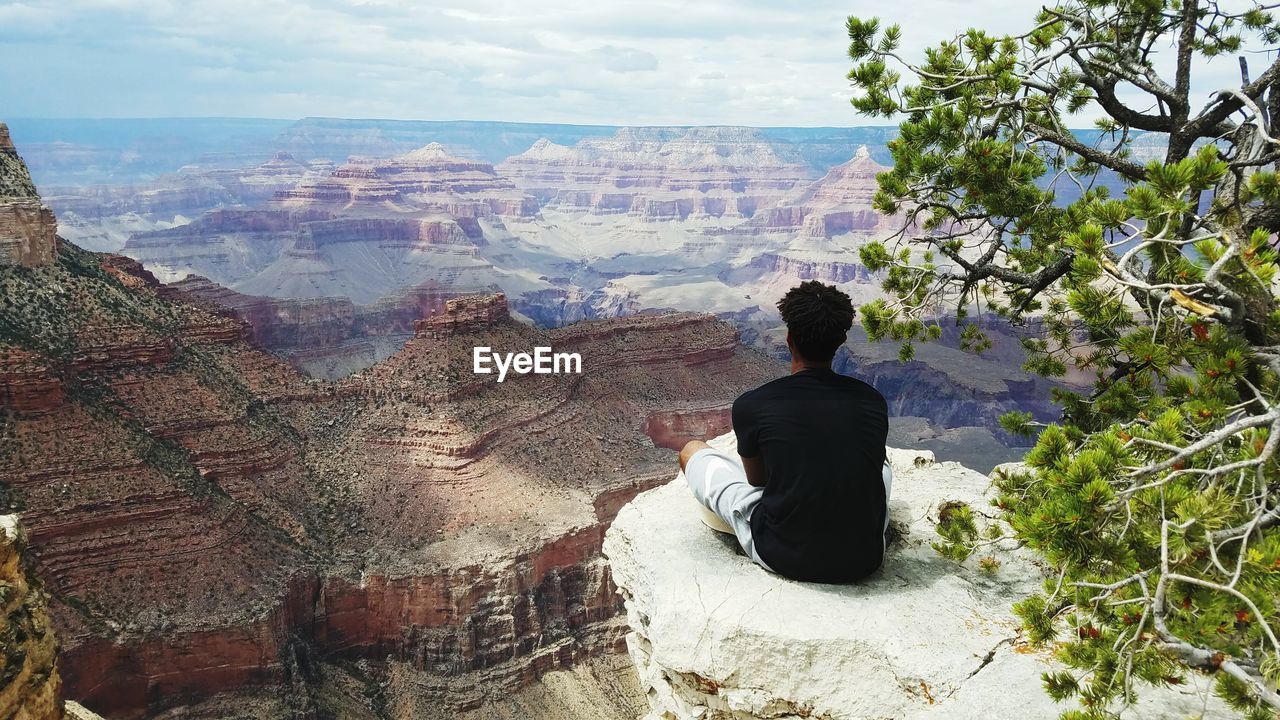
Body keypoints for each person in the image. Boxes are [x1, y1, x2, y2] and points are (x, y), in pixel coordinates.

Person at [679, 280, 891, 583]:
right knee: (882, 469)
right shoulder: (872, 401)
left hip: (784, 554)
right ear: (842, 339)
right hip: (864, 557)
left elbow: (757, 481)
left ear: (789, 339)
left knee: (692, 451)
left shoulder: (752, 405)